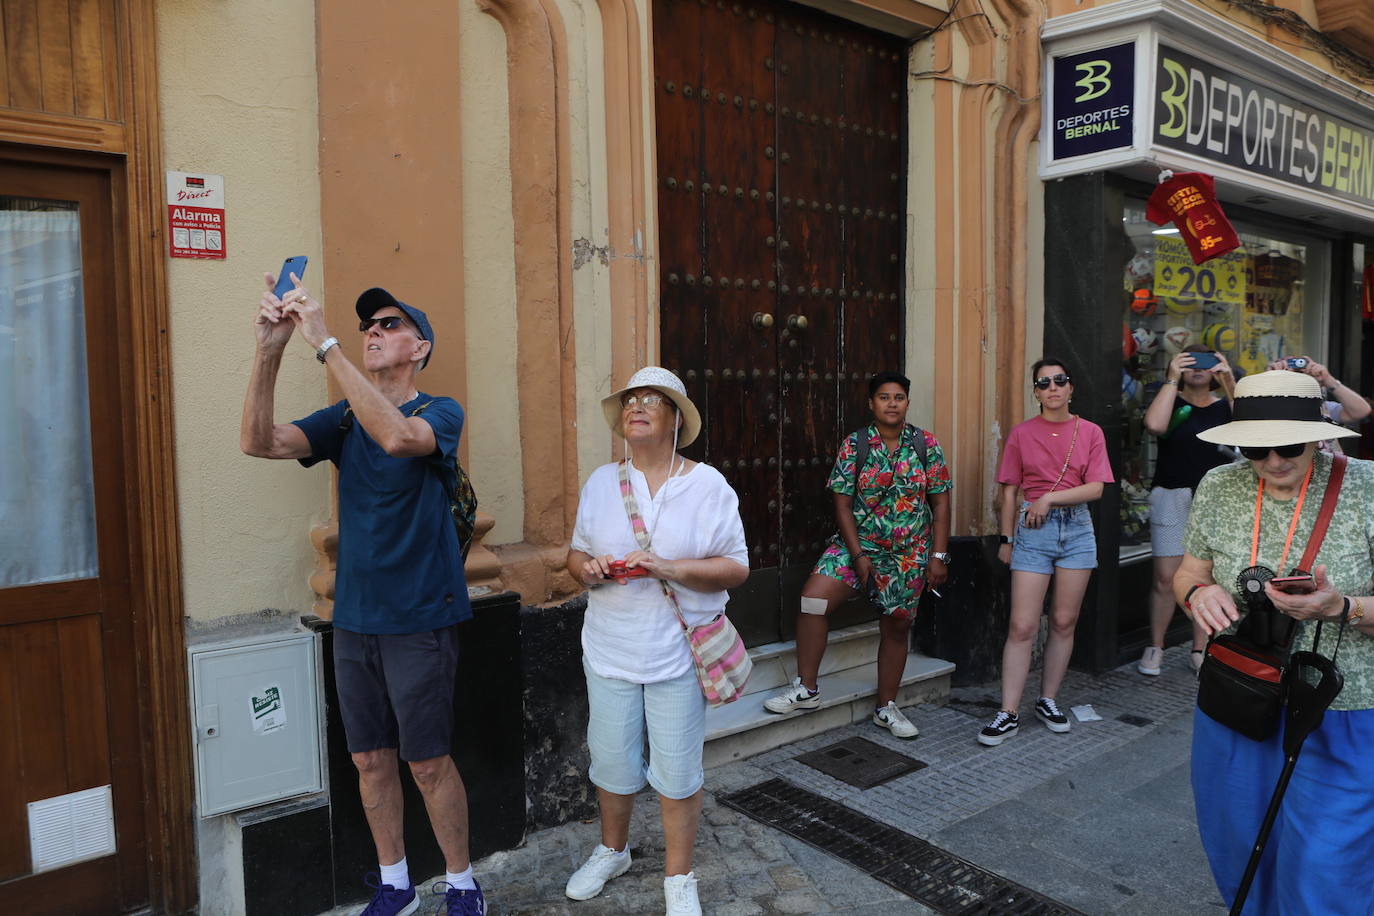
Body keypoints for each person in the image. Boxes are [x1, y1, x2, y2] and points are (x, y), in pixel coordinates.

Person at [240, 273, 485, 916]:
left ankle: (463, 885)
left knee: (428, 763)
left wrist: (326, 344)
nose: (373, 333)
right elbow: (258, 441)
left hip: (421, 617)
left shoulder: (440, 412)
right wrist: (270, 349)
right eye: (367, 327)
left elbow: (399, 438)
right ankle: (395, 882)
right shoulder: (345, 418)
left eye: (389, 326)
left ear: (420, 348)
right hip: (353, 618)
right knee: (370, 760)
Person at [1173, 369, 1374, 914]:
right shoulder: (1219, 485)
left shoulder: (1366, 487)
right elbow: (1188, 573)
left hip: (1344, 707)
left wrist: (1344, 607)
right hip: (1243, 696)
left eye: (1289, 445)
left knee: (1325, 867)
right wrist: (1198, 596)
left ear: (1318, 432)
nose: (1274, 462)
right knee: (1241, 846)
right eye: (1256, 449)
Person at [564, 367, 749, 916]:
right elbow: (573, 555)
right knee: (613, 762)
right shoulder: (601, 482)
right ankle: (612, 850)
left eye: (651, 401)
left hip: (678, 654)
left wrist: (667, 566)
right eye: (629, 401)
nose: (636, 408)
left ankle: (679, 877)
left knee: (676, 770)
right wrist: (589, 568)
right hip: (609, 647)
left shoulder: (707, 485)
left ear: (674, 419)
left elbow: (735, 569)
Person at [762, 371, 952, 738]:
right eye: (884, 397)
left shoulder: (926, 445)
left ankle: (886, 707)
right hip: (857, 546)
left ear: (907, 403)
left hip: (909, 554)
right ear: (871, 403)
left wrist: (939, 556)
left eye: (898, 397)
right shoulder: (856, 444)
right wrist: (859, 555)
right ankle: (807, 689)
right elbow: (843, 505)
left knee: (896, 624)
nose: (892, 403)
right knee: (812, 601)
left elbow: (941, 503)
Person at [980, 358, 1115, 746]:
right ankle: (1007, 712)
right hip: (1032, 533)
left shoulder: (1089, 432)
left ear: (1071, 388)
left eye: (1060, 380)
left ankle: (1048, 699)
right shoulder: (1022, 434)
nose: (1053, 387)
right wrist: (1006, 540)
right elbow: (1008, 490)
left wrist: (1050, 498)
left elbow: (1096, 488)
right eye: (1044, 383)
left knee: (1063, 621)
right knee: (1022, 626)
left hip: (1076, 530)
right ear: (1035, 392)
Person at [1138, 344, 1235, 676]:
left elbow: (1252, 426)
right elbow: (1154, 425)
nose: (1198, 368)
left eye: (1205, 362)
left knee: (1206, 578)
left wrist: (1228, 379)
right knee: (1165, 578)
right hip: (1171, 494)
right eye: (1190, 361)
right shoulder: (1172, 402)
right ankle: (1156, 646)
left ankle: (1200, 648)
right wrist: (1171, 379)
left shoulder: (1226, 406)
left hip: (1215, 499)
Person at [1266, 355, 1371, 428]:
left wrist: (1328, 380)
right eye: (1287, 376)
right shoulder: (1265, 410)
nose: (1296, 380)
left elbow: (1361, 411)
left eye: (1301, 375)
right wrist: (1266, 380)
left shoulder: (1321, 409)